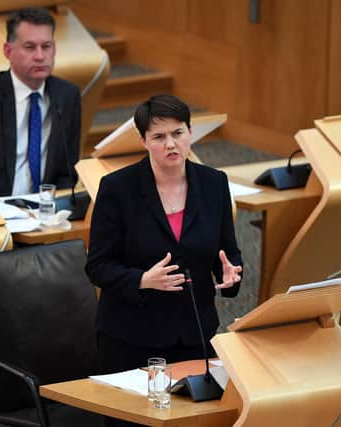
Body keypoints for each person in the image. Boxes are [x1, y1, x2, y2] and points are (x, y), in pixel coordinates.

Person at [85, 94, 243, 377]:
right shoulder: (117, 189)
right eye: (159, 136)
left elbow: (227, 252)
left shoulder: (214, 183)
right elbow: (97, 266)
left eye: (178, 133)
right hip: (131, 337)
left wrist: (230, 274)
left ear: (190, 132)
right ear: (143, 141)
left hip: (196, 334)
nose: (171, 144)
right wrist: (142, 280)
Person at [0, 7, 80, 198]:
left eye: (46, 46)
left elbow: (67, 171)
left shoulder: (67, 96)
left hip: (47, 211)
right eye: (29, 47)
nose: (40, 56)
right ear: (8, 51)